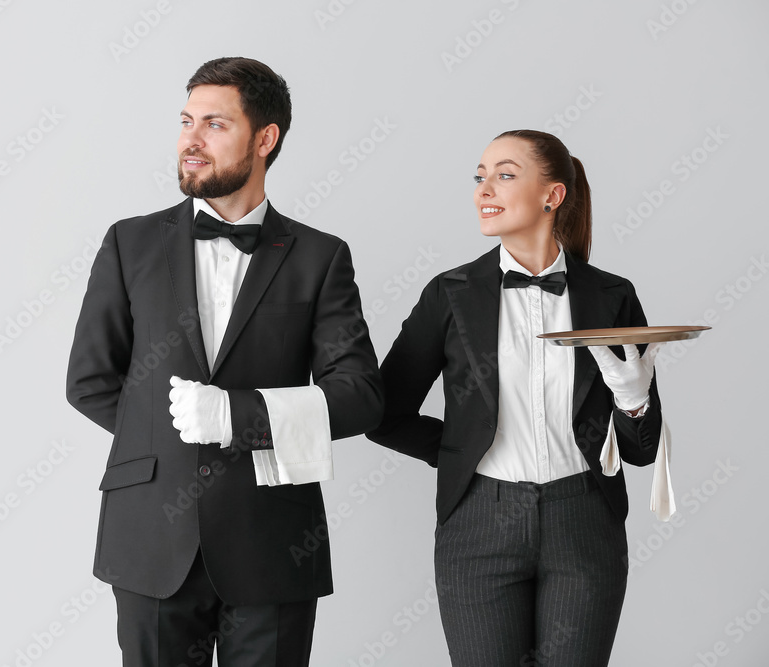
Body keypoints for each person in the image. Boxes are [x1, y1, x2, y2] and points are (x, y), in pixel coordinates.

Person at [66, 57, 383, 667]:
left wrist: (239, 420)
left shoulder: (320, 257)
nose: (191, 139)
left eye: (214, 124)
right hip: (151, 533)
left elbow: (360, 394)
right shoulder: (128, 243)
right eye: (186, 121)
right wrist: (169, 444)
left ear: (265, 139)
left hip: (274, 538)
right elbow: (89, 381)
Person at [366, 129, 666, 666]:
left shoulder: (612, 295)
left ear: (553, 196)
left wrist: (635, 402)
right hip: (478, 524)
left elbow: (640, 452)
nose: (485, 188)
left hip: (585, 523)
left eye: (505, 175)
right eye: (480, 177)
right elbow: (382, 414)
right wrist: (460, 450)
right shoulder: (448, 293)